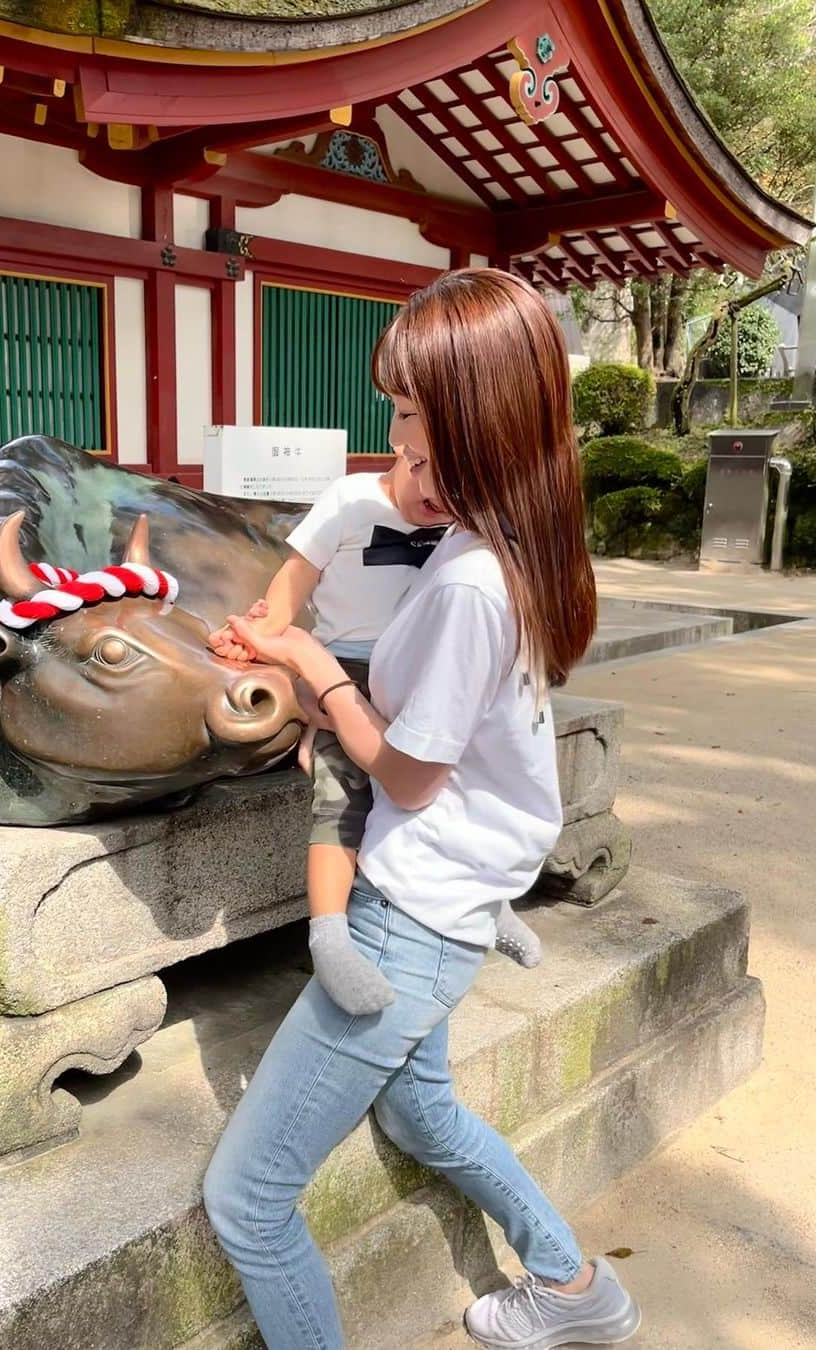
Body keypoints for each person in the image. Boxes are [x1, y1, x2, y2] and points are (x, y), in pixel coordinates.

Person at [202, 268, 641, 1350]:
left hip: (412, 916)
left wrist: (309, 661)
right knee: (419, 1109)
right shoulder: (505, 549)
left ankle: (575, 1292)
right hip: (455, 895)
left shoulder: (467, 583)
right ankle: (575, 1288)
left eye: (408, 414)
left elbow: (405, 776)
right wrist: (301, 653)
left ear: (475, 424)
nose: (394, 437)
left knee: (248, 1203)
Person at [208, 459, 543, 1017]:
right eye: (424, 468)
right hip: (347, 670)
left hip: (424, 672)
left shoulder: (463, 524)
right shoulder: (350, 498)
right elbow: (296, 575)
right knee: (341, 799)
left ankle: (486, 901)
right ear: (403, 456)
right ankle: (330, 936)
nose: (439, 494)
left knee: (450, 790)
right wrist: (262, 634)